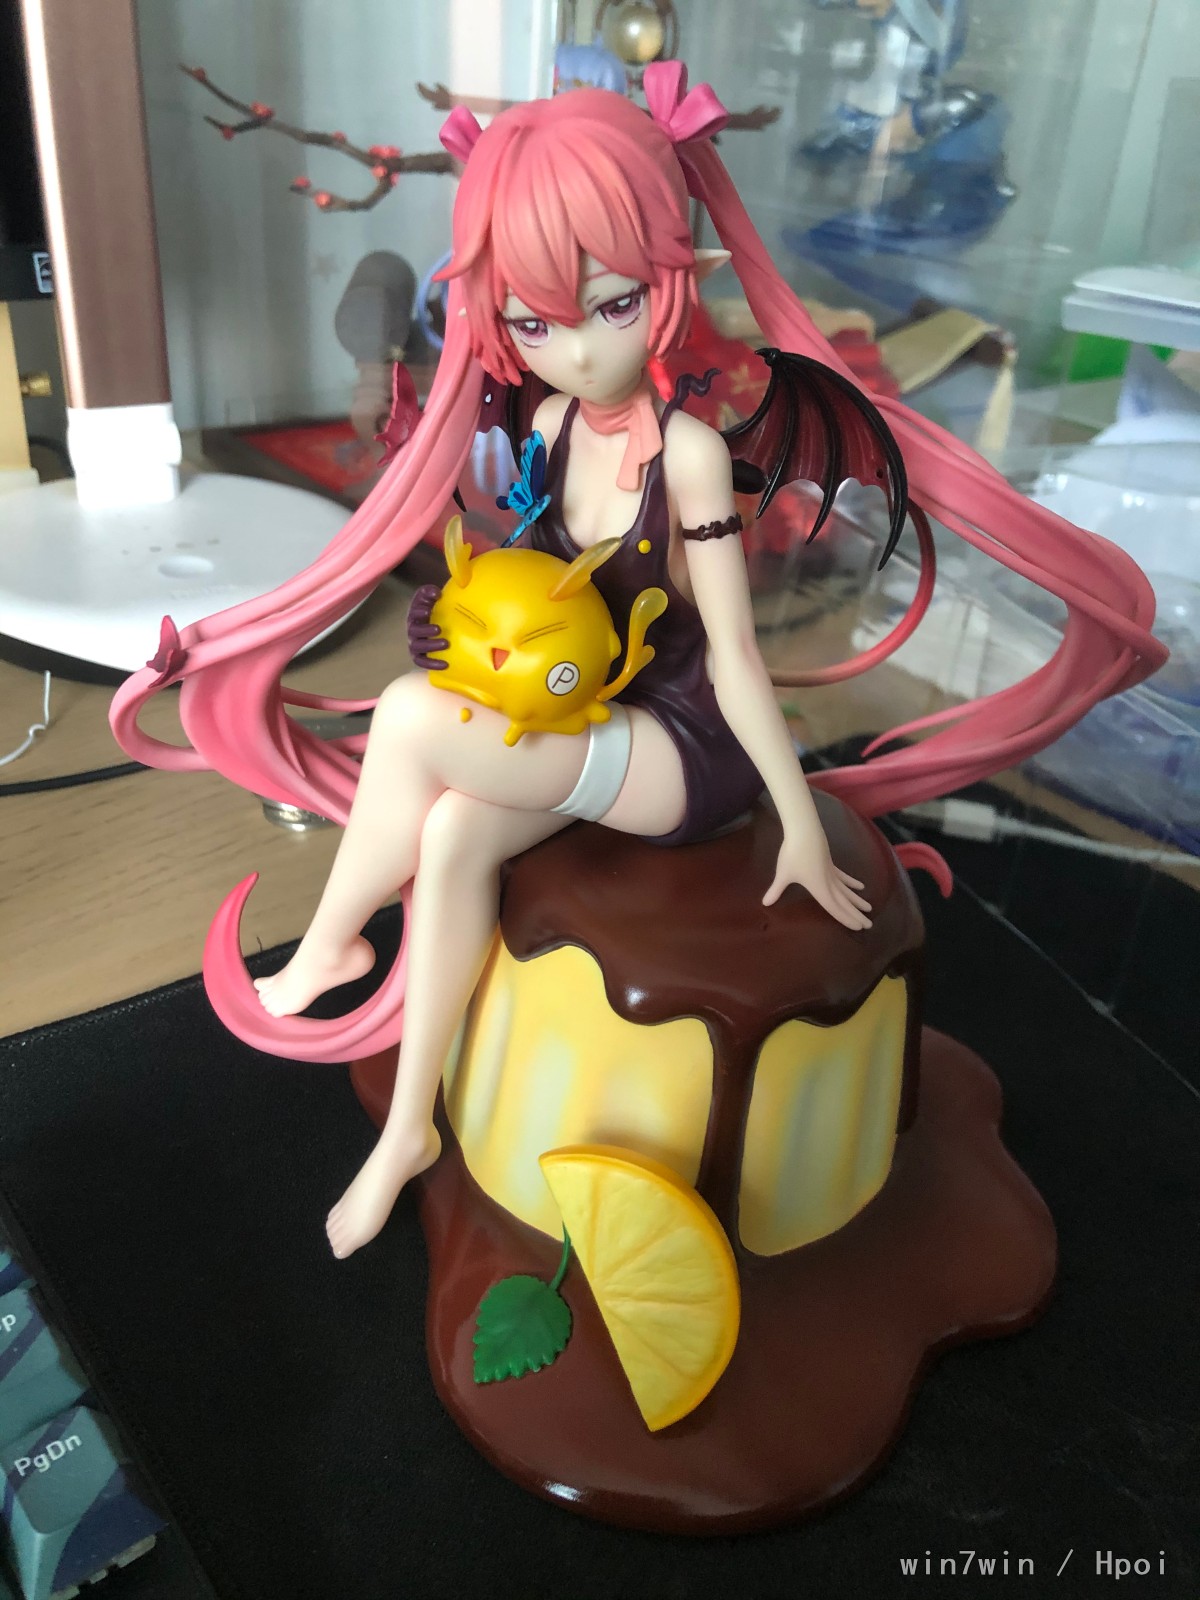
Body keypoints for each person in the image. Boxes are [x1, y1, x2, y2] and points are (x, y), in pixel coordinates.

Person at [109, 64, 1163, 1261]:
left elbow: (738, 661)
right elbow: (538, 586)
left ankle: (327, 946)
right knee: (448, 837)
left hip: (681, 745)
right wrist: (465, 619)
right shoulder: (546, 426)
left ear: (670, 282)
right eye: (533, 322)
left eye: (610, 306)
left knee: (407, 718)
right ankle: (408, 1127)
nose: (573, 350)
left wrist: (798, 822)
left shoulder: (693, 456)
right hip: (580, 706)